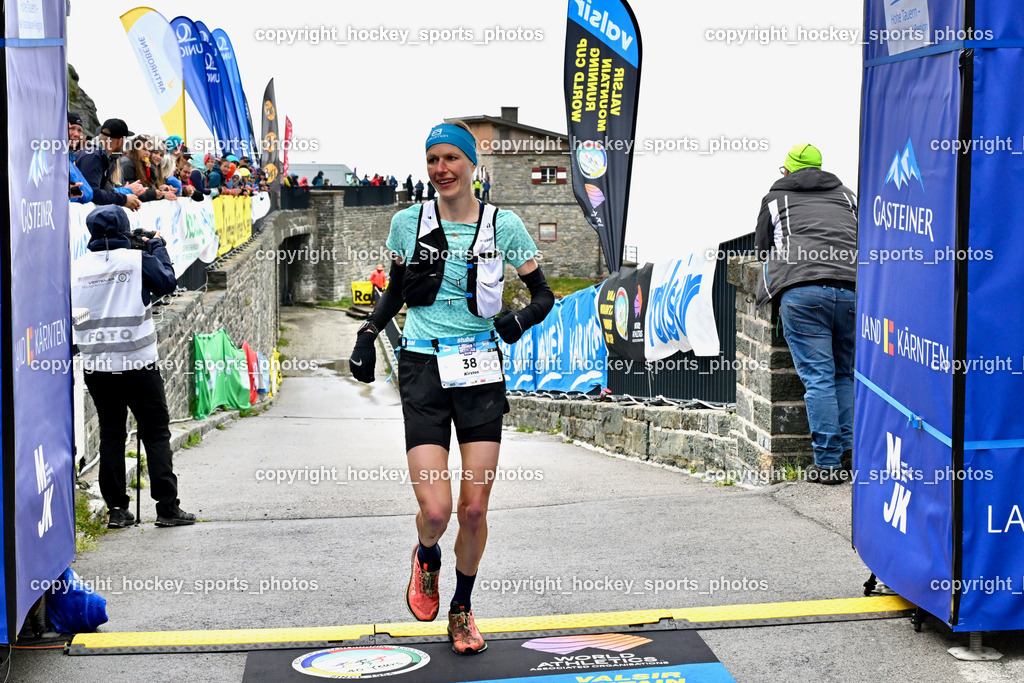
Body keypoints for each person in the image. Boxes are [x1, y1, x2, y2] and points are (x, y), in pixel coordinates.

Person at [348, 121, 553, 655]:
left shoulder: (503, 225)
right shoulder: (407, 223)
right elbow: (395, 290)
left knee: (474, 510)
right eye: (432, 159)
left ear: (471, 164)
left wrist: (519, 319)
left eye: (451, 158)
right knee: (437, 512)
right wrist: (367, 335)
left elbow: (543, 294)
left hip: (479, 369)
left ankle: (462, 609)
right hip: (422, 367)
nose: (441, 169)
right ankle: (426, 555)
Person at [71, 205, 196, 528]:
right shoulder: (136, 260)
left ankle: (116, 510)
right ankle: (167, 508)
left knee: (111, 435)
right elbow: (166, 282)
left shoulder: (75, 268)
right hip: (138, 364)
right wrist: (157, 246)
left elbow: (75, 312)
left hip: (98, 366)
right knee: (155, 434)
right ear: (125, 230)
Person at [755, 144, 858, 485]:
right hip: (852, 293)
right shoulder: (848, 196)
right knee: (844, 375)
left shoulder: (775, 199)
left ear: (787, 171)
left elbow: (763, 250)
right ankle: (852, 455)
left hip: (803, 293)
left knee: (819, 378)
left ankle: (828, 463)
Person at [76, 118, 142, 210]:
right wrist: (124, 199)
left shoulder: (102, 156)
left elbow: (105, 189)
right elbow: (93, 194)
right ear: (120, 141)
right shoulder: (93, 155)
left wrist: (125, 196)